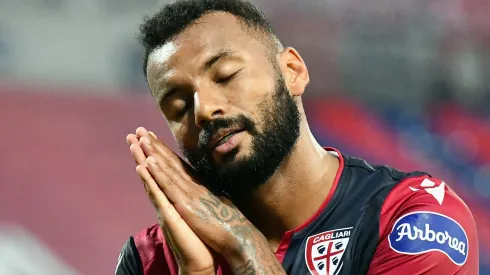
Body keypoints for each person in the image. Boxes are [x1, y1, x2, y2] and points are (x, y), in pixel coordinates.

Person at [116, 0, 479, 274]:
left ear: (293, 71)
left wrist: (245, 249)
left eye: (225, 76)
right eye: (179, 107)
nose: (204, 110)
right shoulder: (151, 259)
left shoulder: (413, 220)